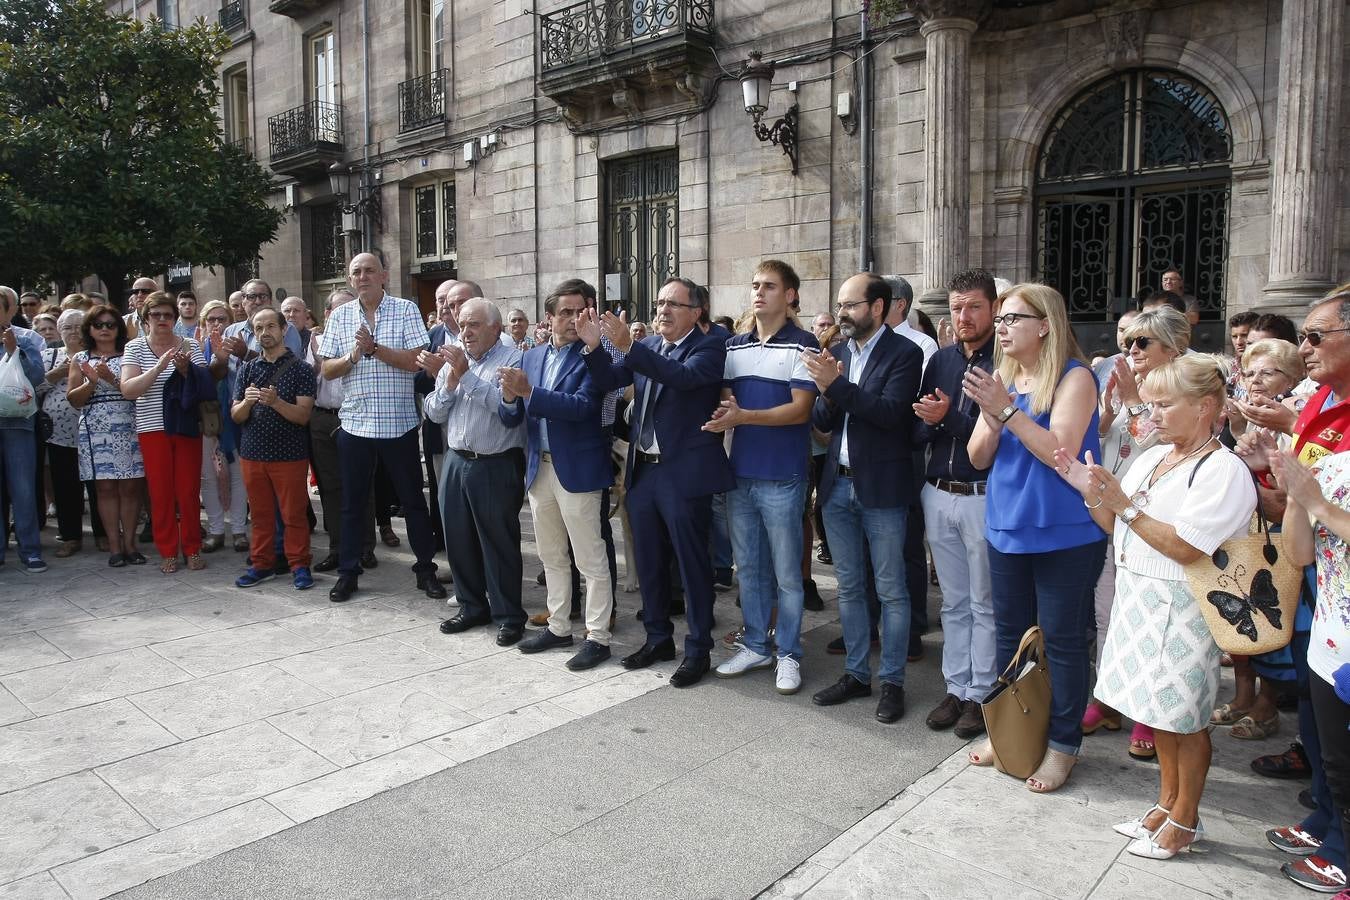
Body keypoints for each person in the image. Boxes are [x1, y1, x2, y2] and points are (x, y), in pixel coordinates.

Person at [1056, 354, 1255, 857]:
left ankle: (1186, 818)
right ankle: (1166, 801)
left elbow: (1188, 547)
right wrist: (1092, 493)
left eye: (1165, 404)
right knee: (1156, 710)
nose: (1153, 415)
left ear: (1207, 406)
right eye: (1151, 404)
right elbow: (1114, 527)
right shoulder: (1152, 457)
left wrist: (1123, 505)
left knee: (1185, 717)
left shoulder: (1223, 469)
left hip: (1185, 603)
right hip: (1138, 595)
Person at [962, 282, 1107, 793]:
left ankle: (1063, 745)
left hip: (1064, 532)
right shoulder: (1003, 379)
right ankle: (1012, 731)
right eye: (999, 320)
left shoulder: (1076, 377)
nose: (1000, 328)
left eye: (1012, 319)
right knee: (1010, 639)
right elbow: (978, 458)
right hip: (1006, 525)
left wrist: (1007, 411)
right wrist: (992, 416)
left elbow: (1061, 453)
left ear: (1045, 323)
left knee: (1063, 643)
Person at [580, 277, 732, 687]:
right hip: (644, 470)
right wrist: (595, 347)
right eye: (659, 301)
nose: (662, 309)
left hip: (683, 474)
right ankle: (658, 638)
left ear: (695, 311)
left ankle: (698, 648)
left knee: (691, 563)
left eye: (673, 304)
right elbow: (609, 381)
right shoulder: (646, 347)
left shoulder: (710, 347)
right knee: (647, 560)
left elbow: (682, 378)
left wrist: (628, 347)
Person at [805, 273, 923, 722]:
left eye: (851, 305)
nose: (842, 314)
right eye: (839, 305)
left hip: (883, 489)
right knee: (850, 587)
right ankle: (856, 674)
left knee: (891, 590)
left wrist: (835, 386)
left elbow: (890, 414)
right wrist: (824, 388)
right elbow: (824, 420)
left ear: (878, 307)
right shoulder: (836, 354)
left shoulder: (905, 353)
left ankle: (892, 682)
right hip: (838, 485)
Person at [706, 260, 819, 694]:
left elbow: (800, 410)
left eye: (769, 286)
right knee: (749, 569)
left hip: (783, 476)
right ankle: (756, 643)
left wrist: (743, 415)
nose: (759, 292)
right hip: (740, 475)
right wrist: (725, 415)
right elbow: (726, 402)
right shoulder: (733, 346)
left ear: (790, 295)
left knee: (788, 574)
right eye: (755, 285)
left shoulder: (804, 344)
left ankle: (788, 652)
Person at [1083, 307, 1190, 762]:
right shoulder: (1126, 385)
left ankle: (1146, 711)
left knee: (1152, 617)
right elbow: (1108, 441)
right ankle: (1106, 698)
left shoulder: (1189, 388)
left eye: (1143, 343)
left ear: (1174, 348)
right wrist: (1108, 412)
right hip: (1112, 515)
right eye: (1128, 342)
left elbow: (1166, 446)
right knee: (1108, 612)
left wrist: (1134, 402)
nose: (1132, 351)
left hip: (1156, 522)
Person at [497, 282, 614, 671]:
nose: (572, 319)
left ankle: (598, 637)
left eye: (581, 311)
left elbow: (583, 407)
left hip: (578, 469)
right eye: (564, 312)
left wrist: (529, 392)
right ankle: (559, 625)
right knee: (550, 555)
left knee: (590, 557)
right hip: (539, 468)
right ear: (548, 317)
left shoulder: (594, 357)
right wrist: (511, 398)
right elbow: (515, 416)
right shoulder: (531, 358)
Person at [316, 252, 446, 603]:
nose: (362, 277)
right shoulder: (341, 316)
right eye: (356, 272)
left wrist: (375, 349)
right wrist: (354, 357)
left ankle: (425, 571)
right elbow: (327, 370)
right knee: (352, 505)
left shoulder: (405, 309)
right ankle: (348, 573)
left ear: (384, 275)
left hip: (398, 425)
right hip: (355, 426)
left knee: (412, 502)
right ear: (350, 278)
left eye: (369, 271)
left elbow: (416, 362)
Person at [914, 269, 998, 738]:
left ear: (994, 309)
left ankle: (982, 694)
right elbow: (921, 429)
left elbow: (996, 443)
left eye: (973, 307)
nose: (963, 317)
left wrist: (948, 420)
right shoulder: (942, 361)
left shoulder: (1006, 363)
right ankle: (956, 686)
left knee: (985, 603)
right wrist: (932, 419)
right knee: (952, 601)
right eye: (956, 308)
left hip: (983, 495)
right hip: (938, 491)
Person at [421, 299, 527, 646]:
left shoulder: (512, 360)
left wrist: (465, 375)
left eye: (474, 325)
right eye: (462, 324)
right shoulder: (452, 360)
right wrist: (451, 382)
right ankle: (471, 606)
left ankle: (509, 615)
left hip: (495, 461)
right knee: (458, 538)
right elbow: (434, 413)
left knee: (498, 543)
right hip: (456, 458)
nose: (465, 332)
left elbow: (505, 409)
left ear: (496, 328)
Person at [119, 291, 220, 573]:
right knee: (161, 492)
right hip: (152, 429)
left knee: (188, 490)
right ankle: (167, 550)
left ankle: (192, 547)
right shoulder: (135, 347)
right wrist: (161, 365)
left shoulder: (189, 344)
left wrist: (187, 371)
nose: (162, 319)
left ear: (175, 318)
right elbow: (129, 389)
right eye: (156, 314)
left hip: (186, 427)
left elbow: (205, 387)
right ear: (145, 318)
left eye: (167, 315)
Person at [230, 307, 317, 590]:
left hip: (289, 455)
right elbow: (236, 415)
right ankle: (262, 564)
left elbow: (303, 416)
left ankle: (299, 565)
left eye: (270, 326)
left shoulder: (302, 369)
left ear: (283, 330)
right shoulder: (247, 369)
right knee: (260, 515)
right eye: (258, 328)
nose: (264, 332)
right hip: (252, 454)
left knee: (293, 515)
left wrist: (276, 402)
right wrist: (247, 402)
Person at [67, 305, 145, 566]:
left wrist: (111, 378)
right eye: (98, 325)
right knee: (105, 487)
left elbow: (136, 392)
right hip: (95, 428)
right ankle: (114, 547)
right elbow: (73, 400)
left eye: (110, 324)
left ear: (118, 328)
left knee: (131, 487)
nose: (104, 329)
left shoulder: (130, 354)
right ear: (89, 328)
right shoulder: (79, 359)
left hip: (129, 424)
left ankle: (131, 544)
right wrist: (90, 382)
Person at [308, 289, 377, 573]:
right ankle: (337, 548)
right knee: (330, 487)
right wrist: (314, 359)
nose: (347, 314)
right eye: (339, 309)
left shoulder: (369, 341)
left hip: (359, 419)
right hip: (324, 419)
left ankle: (365, 548)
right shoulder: (317, 342)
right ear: (327, 314)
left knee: (363, 486)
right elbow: (309, 381)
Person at [42, 309, 103, 558]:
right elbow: (30, 388)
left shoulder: (95, 355)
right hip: (58, 433)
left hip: (93, 430)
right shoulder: (48, 355)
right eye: (67, 327)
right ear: (59, 330)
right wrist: (58, 372)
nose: (73, 331)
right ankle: (70, 537)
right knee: (65, 486)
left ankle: (103, 534)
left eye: (78, 326)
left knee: (99, 485)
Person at [0, 287, 49, 573]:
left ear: (10, 309)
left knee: (23, 489)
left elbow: (36, 377)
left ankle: (30, 550)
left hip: (19, 422)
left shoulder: (25, 338)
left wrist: (12, 352)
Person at [195, 301, 247, 553]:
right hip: (205, 419)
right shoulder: (195, 348)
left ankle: (238, 530)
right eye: (211, 320)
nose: (216, 324)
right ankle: (216, 531)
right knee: (208, 476)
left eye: (222, 319)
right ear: (203, 325)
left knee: (238, 474)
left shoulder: (240, 349)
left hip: (235, 418)